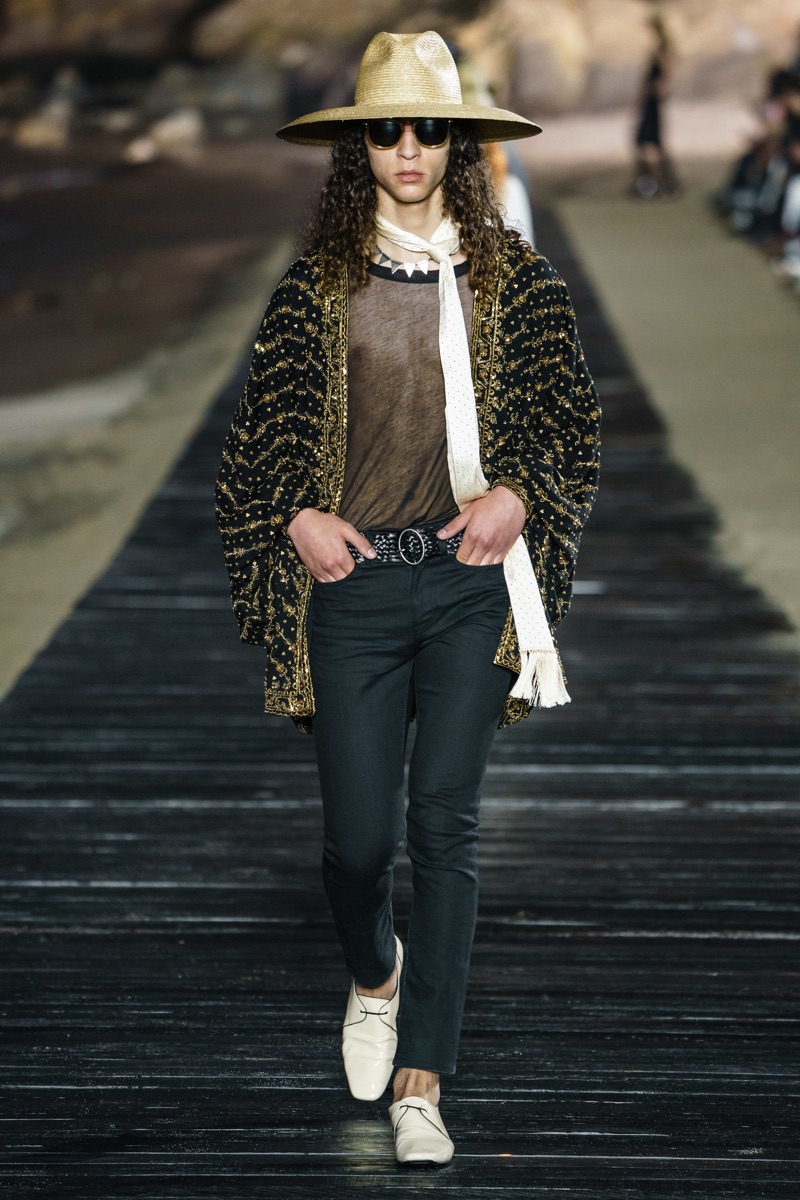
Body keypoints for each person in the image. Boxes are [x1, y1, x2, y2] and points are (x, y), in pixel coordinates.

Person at [215, 30, 600, 1166]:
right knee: (355, 845)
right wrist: (297, 516)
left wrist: (518, 496)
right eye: (386, 130)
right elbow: (257, 446)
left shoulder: (516, 283)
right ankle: (375, 974)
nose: (409, 149)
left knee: (443, 827)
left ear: (459, 143)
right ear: (360, 151)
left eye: (429, 128)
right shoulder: (316, 290)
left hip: (469, 584)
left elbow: (569, 426)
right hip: (355, 589)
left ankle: (422, 1079)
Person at [631, 14, 680, 198]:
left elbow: (665, 76)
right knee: (650, 144)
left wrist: (657, 90)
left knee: (648, 143)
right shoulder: (658, 51)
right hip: (651, 103)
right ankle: (656, 182)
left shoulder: (661, 51)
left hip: (653, 103)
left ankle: (658, 183)